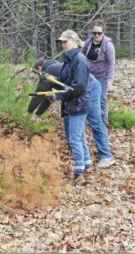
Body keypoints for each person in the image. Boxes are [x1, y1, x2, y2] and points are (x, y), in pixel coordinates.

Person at [29, 58, 115, 168]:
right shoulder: (55, 67)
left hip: (90, 88)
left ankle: (106, 156)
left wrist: (30, 113)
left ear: (39, 68)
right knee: (69, 120)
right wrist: (37, 114)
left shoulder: (48, 71)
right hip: (75, 92)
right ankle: (84, 159)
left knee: (95, 121)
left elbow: (39, 94)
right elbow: (48, 98)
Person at [49, 30, 91, 186]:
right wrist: (54, 81)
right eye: (61, 42)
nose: (62, 44)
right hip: (71, 103)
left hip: (78, 104)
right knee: (79, 138)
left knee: (74, 139)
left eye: (65, 41)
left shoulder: (79, 59)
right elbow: (66, 80)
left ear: (74, 41)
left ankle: (79, 174)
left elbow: (78, 87)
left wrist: (58, 96)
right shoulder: (68, 59)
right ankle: (86, 167)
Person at [82, 20, 115, 126]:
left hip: (102, 75)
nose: (96, 35)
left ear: (103, 33)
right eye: (94, 33)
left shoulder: (108, 45)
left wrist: (110, 80)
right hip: (89, 75)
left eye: (99, 33)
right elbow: (82, 57)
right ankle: (90, 120)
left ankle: (103, 122)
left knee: (101, 99)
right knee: (88, 97)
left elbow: (111, 63)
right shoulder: (88, 43)